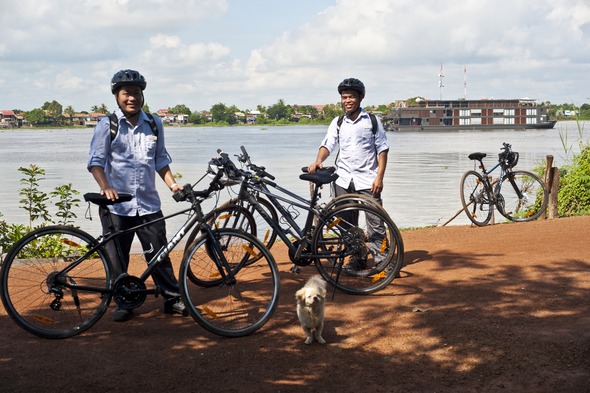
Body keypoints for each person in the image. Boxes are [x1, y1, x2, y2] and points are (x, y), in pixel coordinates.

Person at [87, 69, 186, 322]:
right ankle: (124, 301)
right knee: (117, 258)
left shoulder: (154, 123)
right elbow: (96, 162)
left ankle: (171, 297)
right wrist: (105, 185)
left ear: (142, 95)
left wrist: (173, 185)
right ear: (117, 96)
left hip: (148, 203)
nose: (132, 97)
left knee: (159, 253)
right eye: (126, 93)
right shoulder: (106, 125)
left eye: (136, 93)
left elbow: (160, 160)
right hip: (116, 206)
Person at [308, 77, 390, 270]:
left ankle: (383, 263)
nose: (347, 101)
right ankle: (358, 259)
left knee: (376, 223)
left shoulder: (371, 121)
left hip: (368, 180)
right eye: (344, 97)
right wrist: (319, 160)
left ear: (360, 98)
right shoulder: (338, 122)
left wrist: (380, 177)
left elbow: (382, 149)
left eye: (351, 97)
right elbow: (328, 143)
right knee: (347, 226)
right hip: (343, 180)